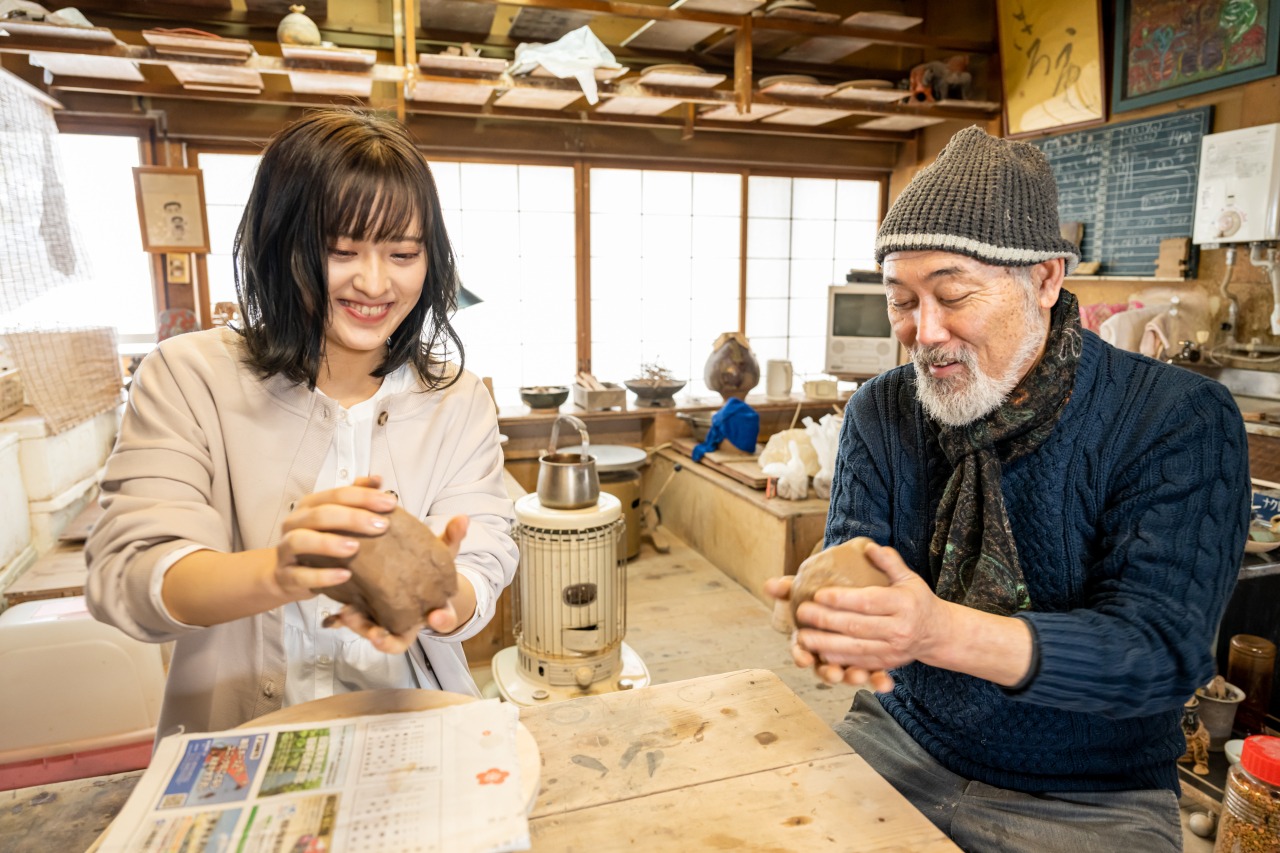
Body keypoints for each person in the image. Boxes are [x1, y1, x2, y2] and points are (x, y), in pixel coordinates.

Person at [765, 126, 1250, 852]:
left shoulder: (1174, 417)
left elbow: (1159, 654)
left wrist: (935, 630)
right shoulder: (884, 409)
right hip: (900, 740)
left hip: (1090, 795)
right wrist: (838, 617)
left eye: (952, 294)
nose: (923, 332)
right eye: (901, 300)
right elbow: (861, 570)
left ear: (1046, 279)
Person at [87, 108, 518, 739]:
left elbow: (484, 555)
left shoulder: (457, 398)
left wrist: (440, 596)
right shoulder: (188, 377)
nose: (374, 283)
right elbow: (128, 574)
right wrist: (280, 572)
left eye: (402, 253)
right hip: (243, 741)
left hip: (416, 727)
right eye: (341, 251)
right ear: (279, 243)